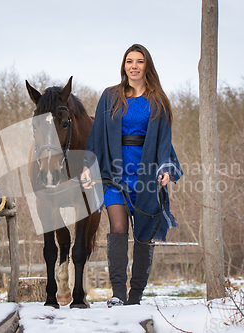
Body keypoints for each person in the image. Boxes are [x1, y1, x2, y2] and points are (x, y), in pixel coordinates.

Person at [81, 44, 182, 307]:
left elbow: (164, 140)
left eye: (139, 61)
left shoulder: (157, 99)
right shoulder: (110, 96)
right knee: (117, 227)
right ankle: (118, 294)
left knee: (143, 236)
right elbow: (97, 135)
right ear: (123, 66)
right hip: (114, 172)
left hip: (146, 173)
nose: (134, 66)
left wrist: (165, 169)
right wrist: (88, 166)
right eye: (129, 61)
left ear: (147, 66)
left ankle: (135, 296)